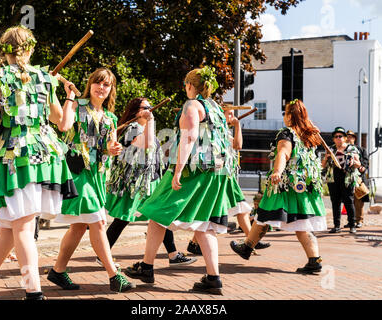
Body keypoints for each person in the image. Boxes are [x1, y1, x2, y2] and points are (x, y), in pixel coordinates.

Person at [0, 25, 78, 300]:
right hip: (46, 158)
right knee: (11, 225)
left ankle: (34, 293)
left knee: (21, 226)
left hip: (19, 159)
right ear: (31, 49)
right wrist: (70, 97)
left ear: (4, 51)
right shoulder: (46, 77)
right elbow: (62, 122)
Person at [124, 66, 235, 295]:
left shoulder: (192, 105)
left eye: (186, 85)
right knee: (204, 224)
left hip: (192, 171)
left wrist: (177, 171)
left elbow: (190, 136)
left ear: (190, 86)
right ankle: (213, 278)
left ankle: (147, 267)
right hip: (217, 172)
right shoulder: (215, 108)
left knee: (156, 210)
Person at [47, 68, 135, 293]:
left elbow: (110, 147)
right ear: (91, 84)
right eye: (98, 82)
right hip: (77, 171)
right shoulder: (78, 105)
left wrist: (114, 148)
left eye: (106, 84)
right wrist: (69, 97)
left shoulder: (111, 118)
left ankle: (57, 271)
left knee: (78, 226)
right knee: (98, 222)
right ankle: (114, 275)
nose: (102, 87)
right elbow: (64, 126)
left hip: (97, 175)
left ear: (110, 90)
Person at [230, 99, 327, 274]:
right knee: (298, 221)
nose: (284, 117)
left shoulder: (287, 133)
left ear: (290, 116)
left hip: (285, 185)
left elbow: (283, 152)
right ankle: (314, 259)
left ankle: (247, 247)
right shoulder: (310, 136)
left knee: (267, 212)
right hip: (305, 185)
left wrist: (277, 172)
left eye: (286, 113)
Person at [105, 97, 196, 268]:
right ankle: (103, 253)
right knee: (123, 219)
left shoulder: (145, 127)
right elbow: (145, 145)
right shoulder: (132, 128)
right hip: (134, 184)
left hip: (149, 181)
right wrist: (151, 120)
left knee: (159, 216)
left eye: (151, 106)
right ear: (136, 111)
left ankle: (173, 254)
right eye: (145, 107)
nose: (150, 109)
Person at [186, 109, 270, 255]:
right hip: (218, 175)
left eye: (232, 114)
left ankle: (250, 241)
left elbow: (238, 145)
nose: (232, 116)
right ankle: (251, 240)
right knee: (222, 210)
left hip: (227, 176)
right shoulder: (213, 131)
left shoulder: (225, 133)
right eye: (229, 114)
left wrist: (237, 126)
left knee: (241, 208)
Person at [322, 127, 362, 234]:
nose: (338, 138)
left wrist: (352, 161)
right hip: (333, 178)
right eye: (336, 136)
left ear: (345, 138)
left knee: (348, 202)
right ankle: (336, 225)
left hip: (347, 178)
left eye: (340, 136)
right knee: (335, 202)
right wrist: (326, 157)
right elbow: (323, 165)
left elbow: (359, 164)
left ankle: (352, 225)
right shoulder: (330, 149)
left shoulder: (351, 149)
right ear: (333, 139)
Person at [346, 130, 369, 228]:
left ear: (354, 138)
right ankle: (351, 221)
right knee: (348, 201)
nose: (348, 138)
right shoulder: (344, 149)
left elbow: (365, 161)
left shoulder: (361, 149)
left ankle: (359, 220)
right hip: (347, 178)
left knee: (358, 201)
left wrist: (363, 167)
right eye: (347, 137)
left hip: (358, 178)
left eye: (351, 137)